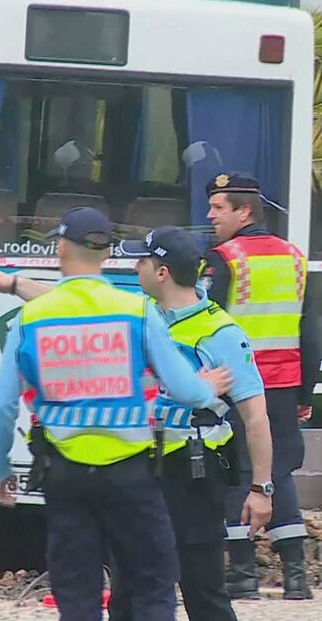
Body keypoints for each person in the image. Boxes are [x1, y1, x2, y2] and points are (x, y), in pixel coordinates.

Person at [0, 207, 231, 620]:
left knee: (77, 592)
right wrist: (209, 388)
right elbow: (185, 389)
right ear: (107, 253)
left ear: (61, 249)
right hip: (131, 473)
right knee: (152, 581)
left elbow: (1, 408)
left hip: (65, 474)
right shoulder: (134, 310)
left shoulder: (32, 316)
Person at [106, 226, 273, 621]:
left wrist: (261, 489)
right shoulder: (139, 314)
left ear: (162, 272)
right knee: (128, 588)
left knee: (202, 588)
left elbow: (255, 415)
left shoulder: (221, 333)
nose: (135, 268)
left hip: (195, 474)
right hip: (140, 465)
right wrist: (12, 284)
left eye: (142, 261)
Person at [202, 172, 320, 600]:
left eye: (219, 207)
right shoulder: (293, 257)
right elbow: (309, 331)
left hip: (236, 384)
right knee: (279, 473)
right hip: (285, 384)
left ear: (244, 210)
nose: (210, 215)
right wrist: (306, 392)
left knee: (238, 472)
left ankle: (243, 577)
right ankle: (295, 577)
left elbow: (205, 322)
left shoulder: (224, 258)